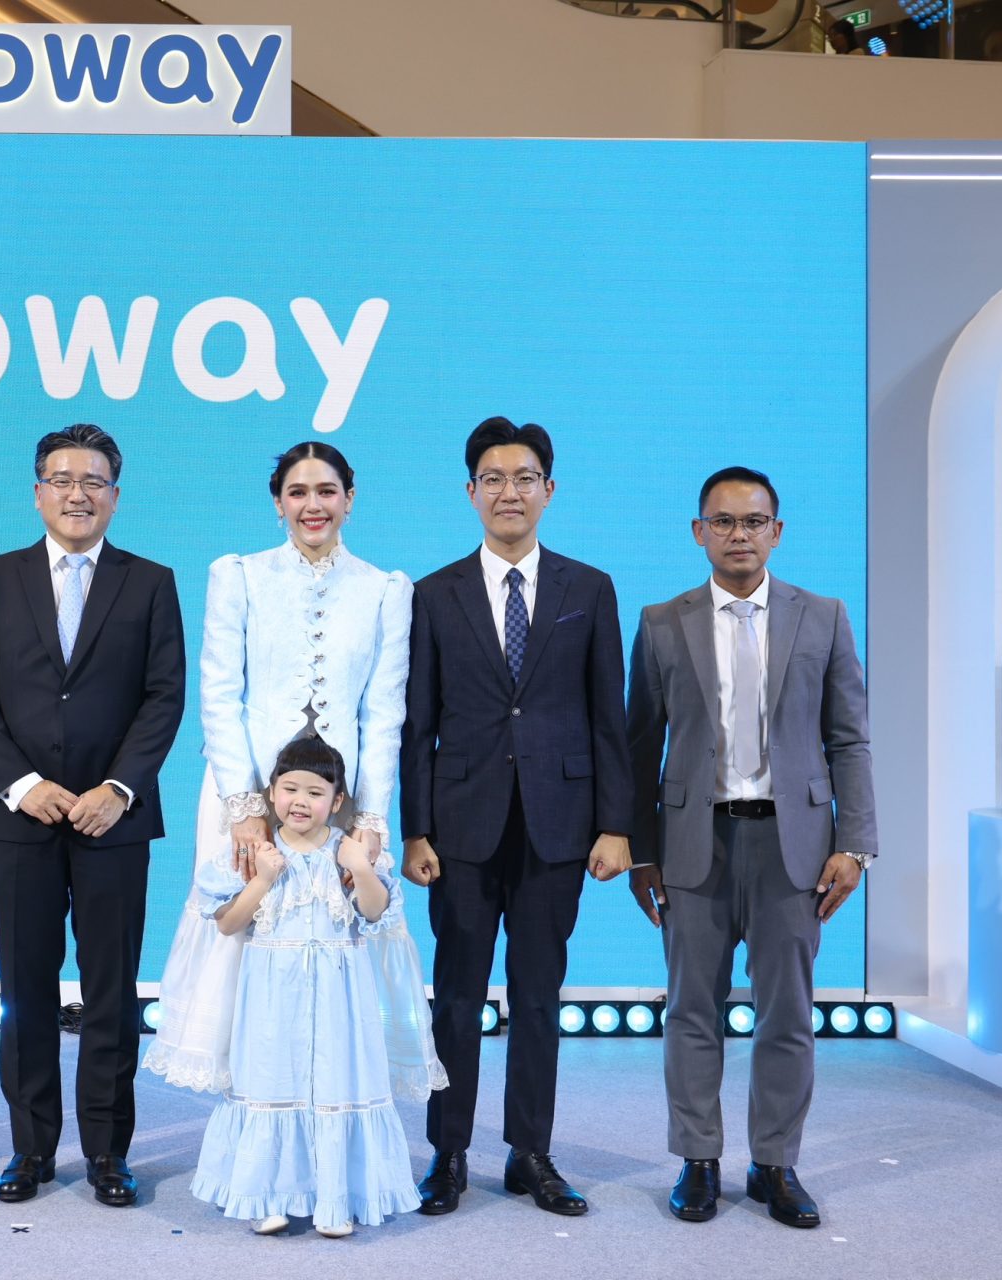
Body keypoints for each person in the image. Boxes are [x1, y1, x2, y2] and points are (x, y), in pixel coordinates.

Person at [146, 440, 440, 1105]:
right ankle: (255, 1109)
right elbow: (219, 694)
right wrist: (244, 806)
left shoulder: (385, 589)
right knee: (245, 933)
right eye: (298, 492)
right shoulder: (240, 576)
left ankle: (333, 1099)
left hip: (341, 801)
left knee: (341, 940)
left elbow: (384, 713)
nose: (313, 505)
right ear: (277, 503)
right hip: (246, 791)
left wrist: (370, 818)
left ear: (349, 500)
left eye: (327, 491)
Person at [626, 466, 876, 1229]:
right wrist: (640, 851)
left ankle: (775, 1164)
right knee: (690, 1011)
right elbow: (639, 746)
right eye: (724, 521)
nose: (740, 534)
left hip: (793, 847)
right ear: (699, 532)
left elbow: (849, 738)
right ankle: (698, 1161)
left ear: (777, 531)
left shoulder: (824, 617)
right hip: (692, 844)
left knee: (787, 1014)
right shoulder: (661, 622)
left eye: (754, 521)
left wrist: (856, 843)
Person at [399, 416, 633, 1218]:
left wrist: (615, 825)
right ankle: (448, 1153)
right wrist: (415, 828)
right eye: (494, 479)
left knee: (539, 998)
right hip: (460, 829)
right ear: (471, 492)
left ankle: (531, 1153)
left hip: (558, 827)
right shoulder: (434, 593)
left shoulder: (588, 588)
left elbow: (609, 716)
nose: (510, 492)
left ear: (549, 490)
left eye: (524, 478)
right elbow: (417, 723)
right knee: (456, 999)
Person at [0, 423, 185, 1208]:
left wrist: (119, 788)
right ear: (37, 492)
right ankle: (30, 1149)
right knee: (25, 990)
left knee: (111, 993)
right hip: (22, 817)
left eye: (93, 481)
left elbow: (164, 695)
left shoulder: (150, 582)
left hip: (113, 821)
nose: (77, 494)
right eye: (61, 479)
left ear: (115, 495)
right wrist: (20, 783)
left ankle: (108, 1153)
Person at [181, 736, 438, 1238]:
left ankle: (335, 1198)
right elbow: (228, 923)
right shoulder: (256, 854)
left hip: (341, 997)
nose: (300, 801)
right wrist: (262, 880)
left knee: (338, 1082)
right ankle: (265, 1195)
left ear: (337, 801)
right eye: (290, 789)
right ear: (271, 792)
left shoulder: (348, 853)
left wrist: (359, 866)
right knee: (270, 1080)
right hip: (271, 998)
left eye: (315, 793)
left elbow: (374, 913)